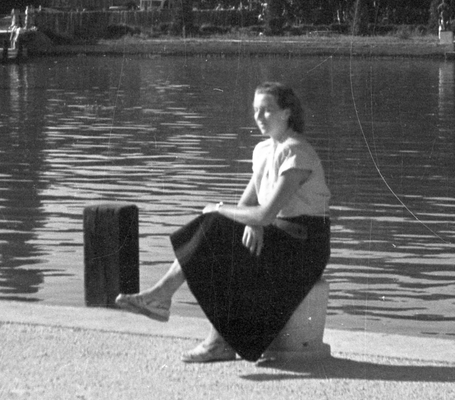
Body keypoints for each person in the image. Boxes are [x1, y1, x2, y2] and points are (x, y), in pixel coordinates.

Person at [114, 81, 332, 363]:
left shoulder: (297, 152)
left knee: (216, 224)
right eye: (255, 110)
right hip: (278, 232)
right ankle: (190, 320)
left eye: (267, 110)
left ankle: (168, 301)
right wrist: (251, 223)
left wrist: (224, 210)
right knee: (216, 231)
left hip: (304, 245)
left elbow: (264, 213)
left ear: (287, 113)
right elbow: (248, 207)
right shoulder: (264, 150)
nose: (259, 117)